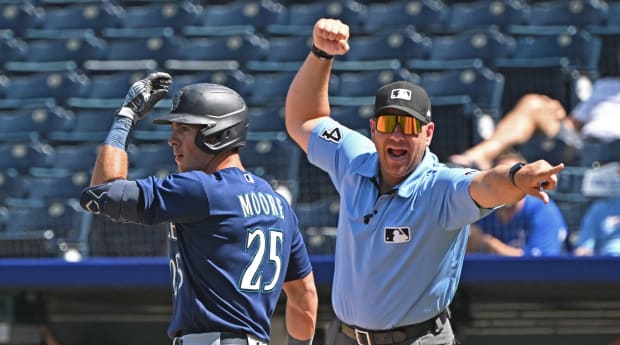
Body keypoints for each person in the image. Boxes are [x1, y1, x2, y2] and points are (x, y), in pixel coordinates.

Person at [284, 18, 564, 345]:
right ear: (374, 129)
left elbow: (487, 185)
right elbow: (305, 119)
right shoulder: (353, 158)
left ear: (428, 133)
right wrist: (320, 53)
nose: (399, 134)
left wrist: (518, 176)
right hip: (344, 337)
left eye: (410, 126)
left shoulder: (439, 187)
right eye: (390, 122)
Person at [79, 73, 318, 345]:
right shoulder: (278, 205)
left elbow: (100, 193)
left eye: (184, 129)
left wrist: (125, 116)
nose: (172, 140)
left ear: (217, 134)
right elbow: (305, 298)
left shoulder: (201, 189)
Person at [450, 47, 620, 171]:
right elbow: (574, 124)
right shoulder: (605, 85)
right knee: (534, 104)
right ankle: (481, 156)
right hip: (582, 146)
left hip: (614, 151)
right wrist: (558, 114)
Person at [466, 150, 568, 256]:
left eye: (516, 178)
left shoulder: (543, 209)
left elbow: (539, 264)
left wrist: (488, 243)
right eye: (502, 178)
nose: (509, 185)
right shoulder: (485, 209)